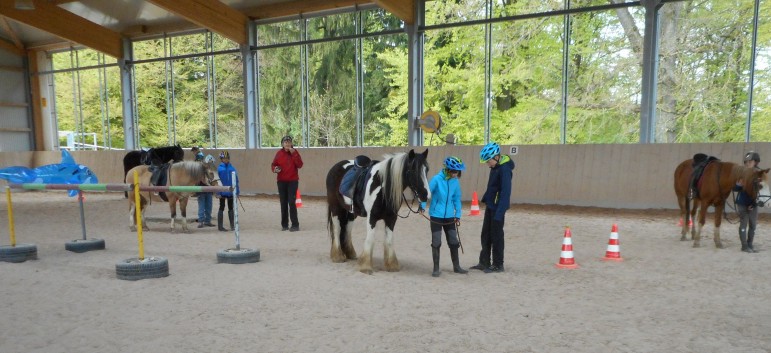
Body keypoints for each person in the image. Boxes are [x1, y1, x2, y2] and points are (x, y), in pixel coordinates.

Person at [469, 142, 514, 273]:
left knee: (497, 236)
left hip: (498, 208)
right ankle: (484, 262)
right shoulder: (495, 167)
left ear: (496, 157)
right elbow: (493, 187)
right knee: (486, 234)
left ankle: (498, 264)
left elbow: (505, 192)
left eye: (488, 161)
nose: (487, 164)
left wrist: (500, 212)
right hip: (491, 205)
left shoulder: (504, 170)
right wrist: (487, 198)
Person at [420, 156, 467, 277]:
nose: (456, 174)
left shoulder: (455, 182)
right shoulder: (436, 179)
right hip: (436, 215)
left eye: (458, 172)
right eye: (454, 171)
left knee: (453, 241)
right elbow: (427, 194)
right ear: (448, 169)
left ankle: (456, 267)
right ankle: (436, 268)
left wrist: (458, 214)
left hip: (450, 217)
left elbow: (456, 198)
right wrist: (422, 206)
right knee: (436, 242)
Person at [271, 135, 304, 231]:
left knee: (291, 202)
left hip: (292, 181)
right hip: (281, 181)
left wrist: (294, 154)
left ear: (292, 143)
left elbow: (300, 165)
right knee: (283, 203)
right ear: (282, 144)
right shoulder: (279, 153)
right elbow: (273, 165)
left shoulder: (295, 152)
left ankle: (295, 225)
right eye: (285, 142)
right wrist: (275, 169)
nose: (287, 144)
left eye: (289, 142)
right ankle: (284, 225)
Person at [735, 151, 761, 253]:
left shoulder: (759, 174)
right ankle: (744, 246)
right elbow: (735, 188)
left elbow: (760, 191)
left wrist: (753, 204)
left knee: (753, 225)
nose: (747, 163)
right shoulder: (741, 173)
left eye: (750, 161)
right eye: (746, 161)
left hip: (753, 203)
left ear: (756, 162)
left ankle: (750, 244)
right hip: (742, 202)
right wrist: (738, 185)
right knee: (743, 224)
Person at [217, 151, 239, 231]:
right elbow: (217, 182)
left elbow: (236, 181)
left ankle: (232, 225)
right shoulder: (219, 169)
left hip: (230, 192)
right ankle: (220, 226)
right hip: (222, 191)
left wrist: (237, 191)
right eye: (224, 158)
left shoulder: (232, 168)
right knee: (221, 207)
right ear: (221, 159)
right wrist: (218, 192)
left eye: (227, 158)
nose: (226, 160)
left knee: (231, 207)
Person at [195, 150, 214, 228]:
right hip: (201, 190)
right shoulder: (198, 170)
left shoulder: (208, 169)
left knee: (209, 206)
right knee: (202, 206)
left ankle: (207, 221)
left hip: (208, 190)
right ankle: (201, 221)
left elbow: (211, 178)